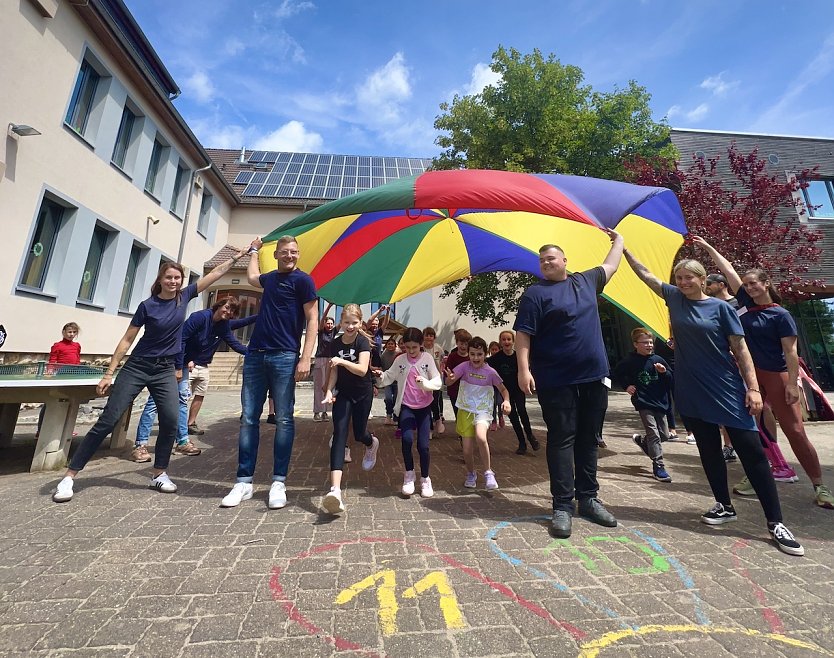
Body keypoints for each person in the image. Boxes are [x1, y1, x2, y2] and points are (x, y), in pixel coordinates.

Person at [624, 246, 805, 556]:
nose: (682, 282)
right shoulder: (674, 298)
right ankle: (723, 505)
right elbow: (646, 276)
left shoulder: (721, 309)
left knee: (752, 453)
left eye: (688, 278)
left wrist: (753, 389)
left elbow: (742, 351)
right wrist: (623, 247)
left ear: (702, 279)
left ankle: (775, 521)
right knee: (708, 450)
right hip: (689, 388)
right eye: (679, 278)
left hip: (725, 386)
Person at [52, 253, 246, 503]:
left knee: (170, 419)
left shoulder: (184, 297)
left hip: (165, 369)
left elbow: (215, 273)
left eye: (177, 278)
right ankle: (69, 476)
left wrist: (239, 256)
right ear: (161, 279)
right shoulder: (148, 305)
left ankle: (159, 473)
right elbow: (128, 339)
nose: (173, 281)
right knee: (109, 418)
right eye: (169, 277)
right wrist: (109, 373)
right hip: (138, 366)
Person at [694, 236, 833, 510]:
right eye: (746, 285)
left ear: (766, 284)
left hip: (776, 374)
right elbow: (729, 270)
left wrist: (793, 385)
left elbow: (791, 352)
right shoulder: (744, 303)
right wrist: (709, 248)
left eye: (754, 283)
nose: (749, 288)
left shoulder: (780, 314)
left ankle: (820, 486)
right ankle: (757, 473)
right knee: (750, 428)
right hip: (749, 376)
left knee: (794, 430)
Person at [514, 232, 623, 539]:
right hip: (555, 379)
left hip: (593, 376)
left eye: (551, 257)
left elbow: (611, 266)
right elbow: (523, 334)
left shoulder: (586, 281)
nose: (546, 262)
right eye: (542, 259)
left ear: (564, 260)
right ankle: (562, 505)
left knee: (589, 439)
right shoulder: (534, 294)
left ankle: (588, 498)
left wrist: (619, 240)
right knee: (562, 440)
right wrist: (524, 370)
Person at [220, 236, 318, 510]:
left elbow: (313, 319)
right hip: (255, 354)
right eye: (285, 252)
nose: (290, 256)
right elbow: (252, 277)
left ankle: (278, 482)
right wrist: (254, 251)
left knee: (284, 419)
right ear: (275, 254)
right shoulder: (270, 279)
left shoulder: (304, 281)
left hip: (285, 355)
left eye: (294, 252)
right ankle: (243, 482)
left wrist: (305, 357)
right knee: (249, 418)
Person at [131, 297, 256, 462]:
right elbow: (180, 339)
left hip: (182, 364)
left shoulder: (222, 325)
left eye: (232, 310)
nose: (228, 312)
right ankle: (140, 445)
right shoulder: (200, 317)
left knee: (182, 399)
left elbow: (234, 343)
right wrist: (177, 367)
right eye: (226, 307)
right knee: (155, 402)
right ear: (219, 305)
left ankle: (182, 442)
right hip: (168, 360)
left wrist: (255, 353)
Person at [320, 304, 381, 514]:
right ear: (341, 322)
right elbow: (334, 372)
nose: (350, 326)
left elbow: (363, 369)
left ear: (360, 323)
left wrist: (341, 362)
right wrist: (329, 390)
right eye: (346, 322)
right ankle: (335, 490)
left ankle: (371, 442)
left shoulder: (362, 341)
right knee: (339, 434)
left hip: (362, 393)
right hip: (344, 394)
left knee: (359, 434)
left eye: (354, 323)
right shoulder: (335, 343)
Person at [376, 327, 442, 497]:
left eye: (415, 347)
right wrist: (380, 376)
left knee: (424, 446)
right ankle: (409, 474)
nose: (411, 351)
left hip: (424, 408)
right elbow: (389, 376)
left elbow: (437, 381)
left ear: (421, 345)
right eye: (408, 347)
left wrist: (425, 384)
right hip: (406, 406)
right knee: (406, 440)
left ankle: (425, 478)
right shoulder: (400, 360)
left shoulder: (427, 358)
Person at [445, 336, 510, 491]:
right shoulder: (463, 367)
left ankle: (488, 472)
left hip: (483, 411)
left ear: (485, 354)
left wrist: (506, 401)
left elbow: (503, 390)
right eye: (472, 354)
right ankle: (471, 473)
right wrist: (450, 379)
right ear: (468, 354)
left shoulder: (490, 372)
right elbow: (449, 382)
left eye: (479, 354)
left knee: (481, 437)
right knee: (466, 450)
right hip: (465, 411)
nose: (475, 358)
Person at [613, 328, 673, 482]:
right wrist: (627, 386)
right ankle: (658, 466)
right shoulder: (630, 361)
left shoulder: (659, 360)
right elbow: (617, 372)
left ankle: (644, 443)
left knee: (664, 435)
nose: (649, 345)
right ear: (635, 344)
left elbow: (671, 379)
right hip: (643, 401)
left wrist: (664, 372)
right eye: (645, 342)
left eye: (651, 342)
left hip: (660, 402)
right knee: (654, 433)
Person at [487, 330, 539, 455]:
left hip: (518, 389)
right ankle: (522, 442)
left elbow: (528, 367)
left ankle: (530, 436)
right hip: (505, 392)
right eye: (504, 339)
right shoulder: (496, 358)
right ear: (500, 342)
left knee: (522, 411)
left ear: (513, 341)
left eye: (509, 339)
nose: (506, 342)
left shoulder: (518, 356)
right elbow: (485, 367)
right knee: (513, 416)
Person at [36, 322, 82, 438]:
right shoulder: (57, 345)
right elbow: (52, 360)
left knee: (70, 402)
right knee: (50, 403)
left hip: (72, 375)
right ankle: (40, 430)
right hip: (60, 376)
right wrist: (50, 372)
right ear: (64, 332)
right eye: (69, 332)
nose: (71, 334)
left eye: (74, 332)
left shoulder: (77, 346)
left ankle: (67, 429)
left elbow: (77, 360)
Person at [313, 302, 336, 422]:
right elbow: (322, 319)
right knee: (318, 386)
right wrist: (329, 306)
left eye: (332, 323)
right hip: (320, 359)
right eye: (328, 323)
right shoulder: (322, 332)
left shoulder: (334, 332)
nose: (330, 325)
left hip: (330, 360)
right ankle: (317, 412)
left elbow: (343, 322)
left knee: (328, 386)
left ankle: (325, 412)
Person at [423, 327, 446, 434]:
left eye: (431, 335)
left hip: (436, 378)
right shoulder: (421, 348)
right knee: (426, 403)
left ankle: (438, 419)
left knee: (434, 401)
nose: (428, 338)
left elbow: (442, 361)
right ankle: (429, 428)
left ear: (434, 337)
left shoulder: (438, 349)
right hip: (424, 379)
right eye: (426, 335)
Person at [444, 328, 471, 419]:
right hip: (454, 390)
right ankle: (461, 432)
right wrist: (449, 377)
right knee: (458, 414)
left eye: (466, 344)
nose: (463, 346)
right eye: (461, 343)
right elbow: (447, 372)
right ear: (457, 343)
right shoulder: (452, 356)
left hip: (468, 391)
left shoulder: (471, 357)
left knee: (467, 414)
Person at [380, 336, 400, 424]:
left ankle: (396, 416)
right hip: (387, 380)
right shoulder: (384, 354)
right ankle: (388, 414)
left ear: (395, 345)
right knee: (388, 398)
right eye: (389, 344)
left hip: (397, 381)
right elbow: (382, 366)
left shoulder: (398, 354)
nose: (390, 345)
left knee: (396, 398)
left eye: (392, 344)